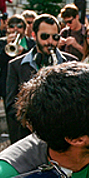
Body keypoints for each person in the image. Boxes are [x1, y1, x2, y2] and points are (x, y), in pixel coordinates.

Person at [6, 14, 77, 143]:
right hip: (30, 137)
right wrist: (31, 122)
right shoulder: (15, 66)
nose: (50, 42)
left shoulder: (72, 62)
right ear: (34, 36)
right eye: (44, 36)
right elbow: (11, 105)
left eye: (55, 37)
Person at [0, 15, 35, 102]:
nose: (16, 29)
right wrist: (6, 46)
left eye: (19, 27)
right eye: (12, 27)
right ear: (8, 28)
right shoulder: (1, 42)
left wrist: (24, 52)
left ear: (24, 29)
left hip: (26, 81)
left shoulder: (31, 43)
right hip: (7, 82)